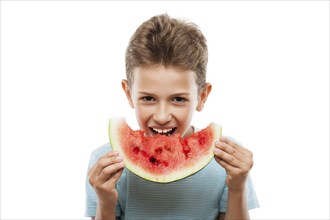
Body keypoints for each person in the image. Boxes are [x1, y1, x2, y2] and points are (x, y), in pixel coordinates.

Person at [85, 14, 259, 220]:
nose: (161, 116)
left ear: (202, 96)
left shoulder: (227, 160)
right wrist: (105, 200)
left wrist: (237, 188)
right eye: (148, 98)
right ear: (128, 93)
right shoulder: (106, 163)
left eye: (178, 99)